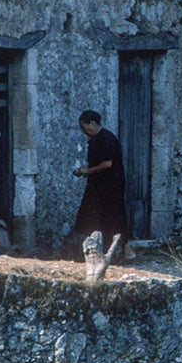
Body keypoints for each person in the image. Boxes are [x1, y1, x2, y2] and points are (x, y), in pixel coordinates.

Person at [73, 110, 134, 260]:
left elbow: (107, 163)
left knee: (113, 217)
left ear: (92, 123)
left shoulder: (107, 138)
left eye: (84, 127)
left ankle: (126, 251)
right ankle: (98, 253)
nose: (84, 131)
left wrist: (87, 170)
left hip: (110, 186)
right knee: (93, 217)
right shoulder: (95, 139)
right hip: (98, 185)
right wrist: (85, 171)